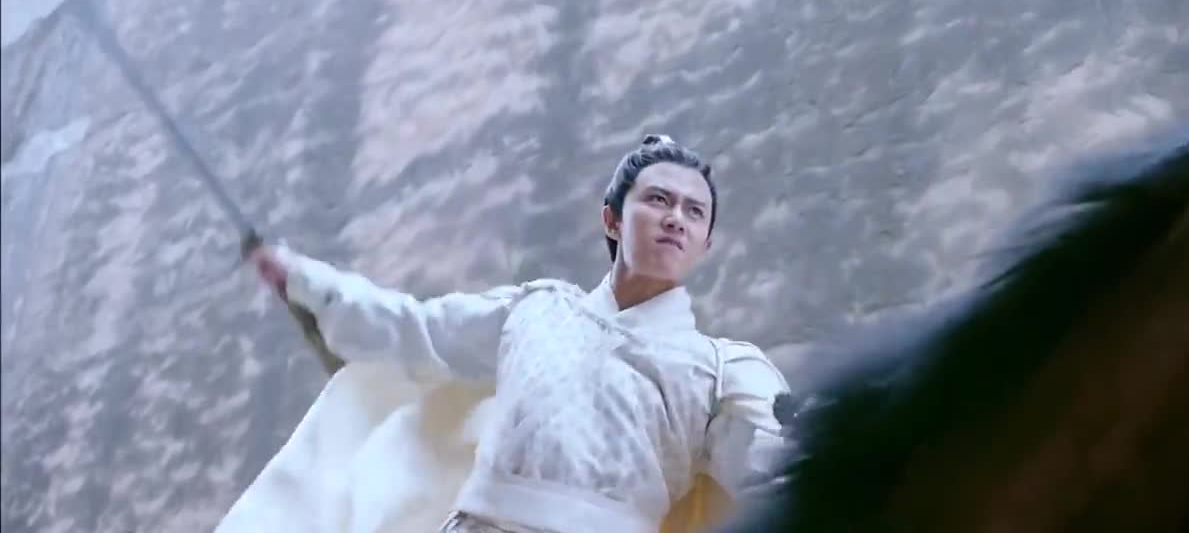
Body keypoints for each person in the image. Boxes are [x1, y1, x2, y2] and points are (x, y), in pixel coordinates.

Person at [226, 134, 791, 533]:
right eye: (658, 200)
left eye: (695, 212)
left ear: (705, 244)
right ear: (613, 219)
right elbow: (414, 327)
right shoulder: (534, 309)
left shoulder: (721, 370)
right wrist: (303, 280)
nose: (675, 219)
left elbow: (774, 472)